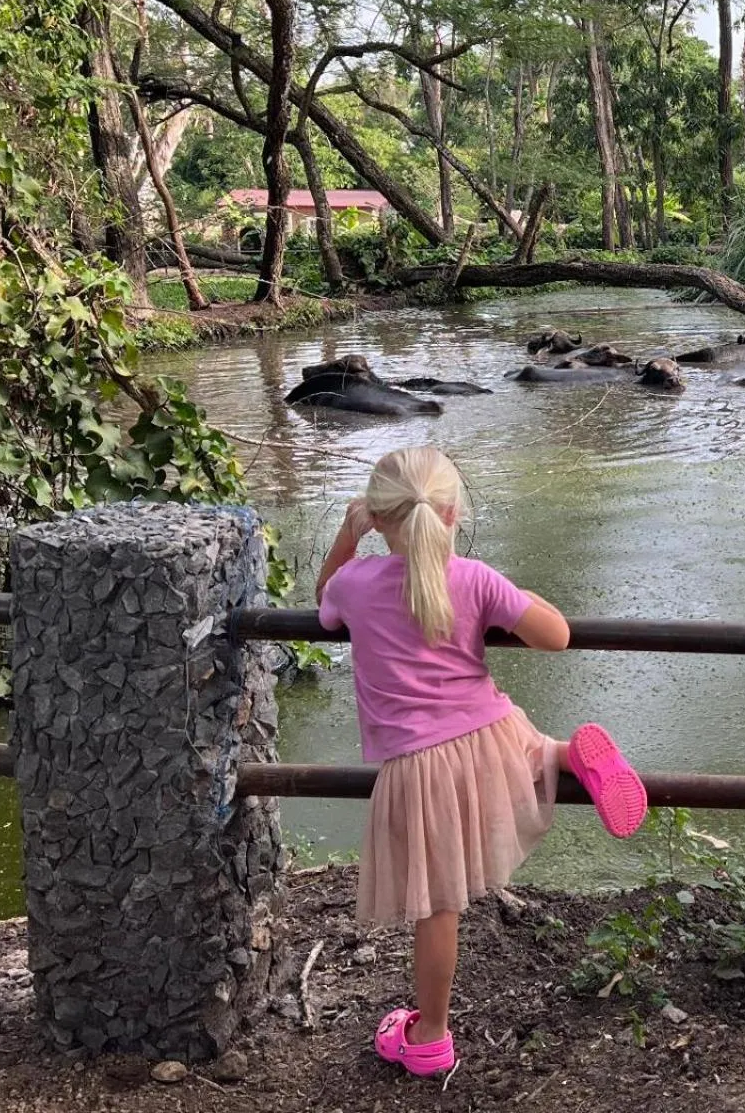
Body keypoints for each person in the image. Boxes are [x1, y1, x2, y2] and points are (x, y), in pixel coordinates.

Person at [315, 446, 648, 1078]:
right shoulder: (474, 578)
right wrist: (523, 594)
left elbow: (323, 595)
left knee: (437, 905)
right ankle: (564, 753)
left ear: (377, 518)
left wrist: (345, 535)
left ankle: (431, 1035)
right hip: (492, 735)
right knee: (522, 753)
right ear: (452, 514)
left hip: (418, 765)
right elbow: (558, 636)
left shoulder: (357, 585)